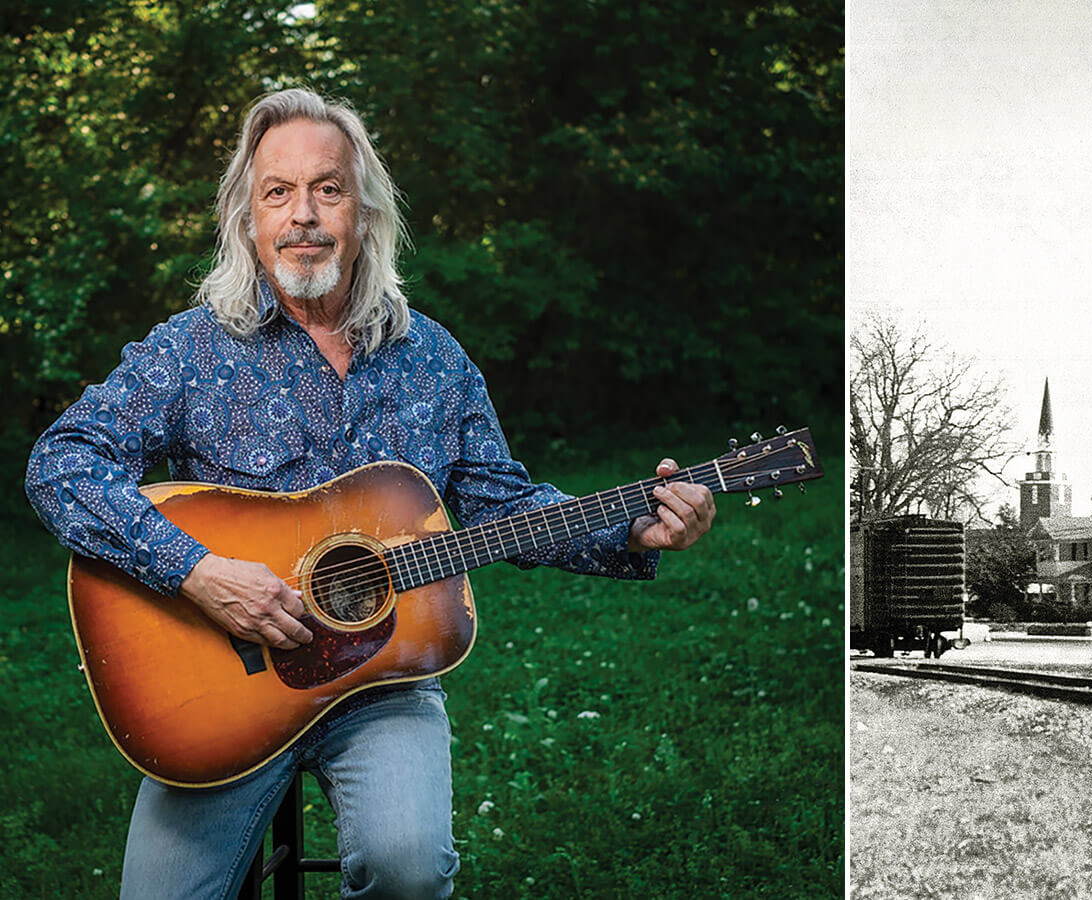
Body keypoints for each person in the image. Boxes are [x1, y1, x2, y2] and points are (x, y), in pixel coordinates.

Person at [23, 88, 716, 899]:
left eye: (329, 188)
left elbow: (500, 506)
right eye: (277, 192)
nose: (304, 215)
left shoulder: (434, 359)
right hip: (218, 692)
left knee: (408, 869)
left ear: (366, 210)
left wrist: (633, 528)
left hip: (381, 687)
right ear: (248, 217)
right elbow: (61, 462)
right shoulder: (191, 351)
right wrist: (199, 572)